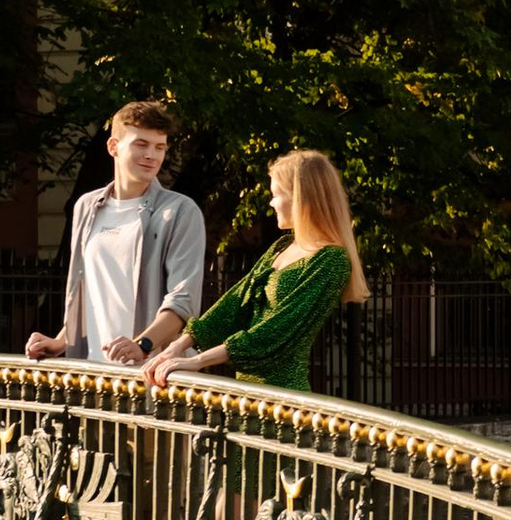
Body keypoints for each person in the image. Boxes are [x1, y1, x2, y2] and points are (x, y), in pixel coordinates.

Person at [150, 148, 367, 395]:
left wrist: (197, 361)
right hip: (247, 396)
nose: (271, 202)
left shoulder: (331, 260)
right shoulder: (282, 247)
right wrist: (178, 346)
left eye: (277, 194)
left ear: (301, 198)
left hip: (282, 400)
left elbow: (275, 333)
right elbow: (233, 304)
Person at [27, 101, 207, 370]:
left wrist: (143, 345)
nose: (152, 155)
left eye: (160, 147)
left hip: (154, 375)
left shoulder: (179, 211)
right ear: (113, 146)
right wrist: (62, 340)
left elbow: (183, 301)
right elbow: (89, 291)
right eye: (141, 144)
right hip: (95, 374)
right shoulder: (87, 207)